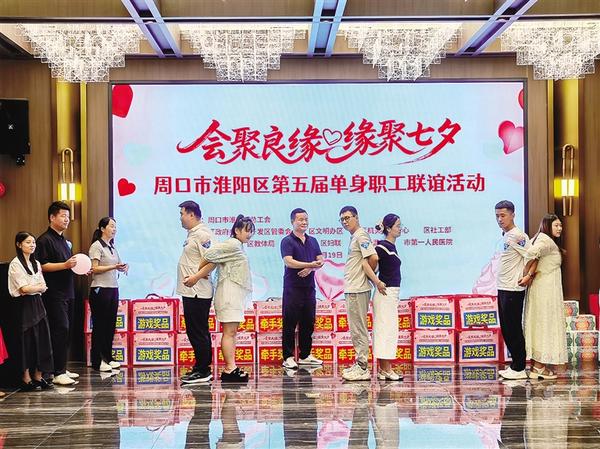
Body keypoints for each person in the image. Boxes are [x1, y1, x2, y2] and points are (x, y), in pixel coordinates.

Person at [188, 214, 254, 383]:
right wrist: (199, 274)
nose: (249, 234)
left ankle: (231, 367)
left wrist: (200, 273)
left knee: (231, 332)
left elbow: (212, 258)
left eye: (251, 231)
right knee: (229, 333)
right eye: (246, 230)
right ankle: (230, 369)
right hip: (229, 294)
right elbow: (209, 254)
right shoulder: (232, 244)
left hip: (233, 293)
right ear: (237, 230)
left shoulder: (237, 245)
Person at [35, 201, 79, 385]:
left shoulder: (64, 241)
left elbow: (69, 265)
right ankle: (55, 372)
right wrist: (65, 265)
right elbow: (42, 266)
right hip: (54, 293)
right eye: (63, 216)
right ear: (52, 217)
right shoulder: (44, 240)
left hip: (68, 291)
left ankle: (61, 367)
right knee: (60, 329)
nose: (67, 219)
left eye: (68, 216)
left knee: (67, 331)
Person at [519, 214, 567, 379]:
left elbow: (535, 257)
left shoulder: (541, 238)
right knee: (544, 324)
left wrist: (529, 274)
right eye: (556, 225)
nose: (560, 228)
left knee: (539, 324)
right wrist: (527, 273)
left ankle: (536, 366)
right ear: (547, 226)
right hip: (546, 291)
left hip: (542, 289)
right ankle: (539, 367)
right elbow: (531, 253)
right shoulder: (546, 240)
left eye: (560, 225)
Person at [339, 206, 382, 381]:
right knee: (356, 327)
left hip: (357, 288)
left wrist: (368, 276)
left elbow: (373, 257)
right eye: (342, 219)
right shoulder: (355, 237)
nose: (345, 222)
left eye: (348, 217)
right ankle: (360, 363)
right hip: (353, 287)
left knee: (358, 328)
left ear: (356, 217)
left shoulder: (361, 235)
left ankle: (362, 366)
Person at [8, 232, 54, 391]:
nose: (32, 245)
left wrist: (35, 288)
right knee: (26, 341)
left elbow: (43, 286)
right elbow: (23, 289)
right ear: (19, 244)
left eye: (33, 242)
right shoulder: (15, 264)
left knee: (42, 339)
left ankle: (38, 375)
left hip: (38, 303)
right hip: (23, 305)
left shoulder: (37, 263)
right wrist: (36, 288)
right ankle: (26, 378)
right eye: (28, 242)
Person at [177, 201, 216, 384]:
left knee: (198, 331)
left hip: (198, 291)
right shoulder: (192, 234)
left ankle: (203, 370)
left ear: (191, 214)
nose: (181, 218)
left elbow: (213, 260)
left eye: (182, 214)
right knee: (194, 330)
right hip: (190, 290)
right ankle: (200, 367)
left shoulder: (202, 234)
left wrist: (196, 277)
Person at [280, 208, 324, 370]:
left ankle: (305, 355)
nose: (304, 222)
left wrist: (311, 268)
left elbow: (320, 260)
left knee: (308, 321)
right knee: (290, 322)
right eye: (300, 219)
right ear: (292, 221)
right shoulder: (287, 241)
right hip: (293, 287)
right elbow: (288, 261)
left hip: (309, 287)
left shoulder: (313, 240)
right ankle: (288, 357)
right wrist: (309, 264)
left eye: (306, 219)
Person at [494, 200, 530, 380]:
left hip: (513, 289)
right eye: (497, 216)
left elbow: (532, 256)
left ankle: (520, 367)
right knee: (506, 328)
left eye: (503, 215)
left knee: (513, 327)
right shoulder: (506, 235)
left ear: (513, 215)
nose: (500, 219)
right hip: (502, 287)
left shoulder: (518, 236)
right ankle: (515, 365)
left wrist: (528, 276)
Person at [88, 217, 128, 373]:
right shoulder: (96, 246)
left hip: (113, 288)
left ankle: (108, 357)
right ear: (102, 229)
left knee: (110, 325)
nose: (114, 229)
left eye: (115, 226)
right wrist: (114, 266)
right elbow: (94, 268)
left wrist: (123, 267)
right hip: (100, 289)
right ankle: (97, 361)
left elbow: (116, 265)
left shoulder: (112, 246)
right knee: (100, 325)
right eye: (111, 226)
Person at [373, 214, 403, 381]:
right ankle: (386, 369)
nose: (400, 228)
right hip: (385, 293)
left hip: (391, 294)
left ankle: (384, 369)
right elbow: (367, 265)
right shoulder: (381, 247)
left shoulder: (390, 246)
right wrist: (377, 281)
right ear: (389, 228)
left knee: (388, 330)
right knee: (385, 330)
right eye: (397, 225)